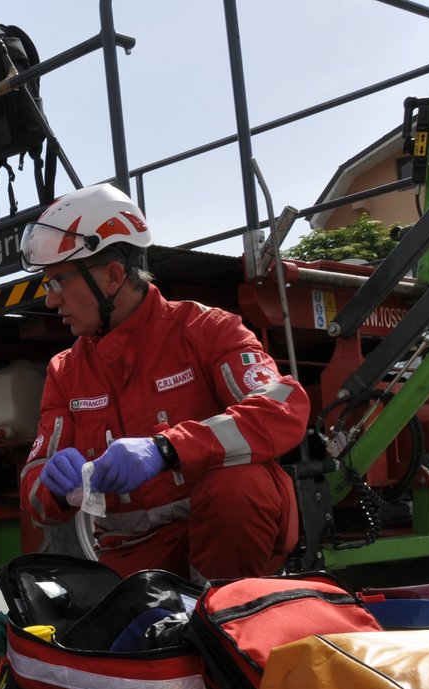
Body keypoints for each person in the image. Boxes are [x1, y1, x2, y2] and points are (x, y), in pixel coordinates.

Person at [18, 183, 309, 580]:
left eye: (58, 282)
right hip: (135, 562)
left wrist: (166, 449)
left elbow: (282, 410)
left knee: (239, 485)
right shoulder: (65, 371)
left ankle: (228, 613)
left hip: (228, 545)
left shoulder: (208, 330)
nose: (50, 300)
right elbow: (33, 492)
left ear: (113, 276)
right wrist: (50, 483)